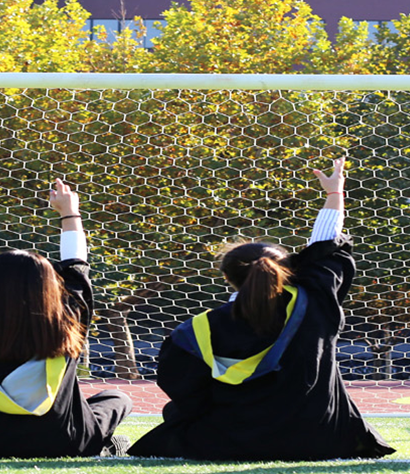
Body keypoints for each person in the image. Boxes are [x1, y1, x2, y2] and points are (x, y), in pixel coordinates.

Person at [129, 160, 395, 461]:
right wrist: (335, 195)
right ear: (289, 272)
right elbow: (326, 251)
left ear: (227, 277)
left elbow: (187, 395)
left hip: (229, 441)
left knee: (170, 422)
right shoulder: (314, 304)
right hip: (320, 438)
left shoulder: (197, 331)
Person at [0, 179, 132, 457]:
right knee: (117, 398)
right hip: (60, 441)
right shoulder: (67, 327)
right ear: (50, 290)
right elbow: (77, 268)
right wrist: (70, 213)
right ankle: (107, 446)